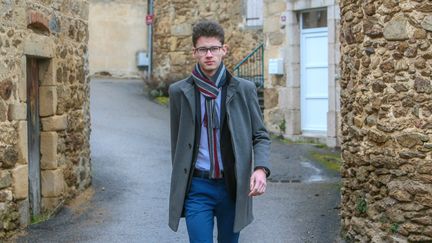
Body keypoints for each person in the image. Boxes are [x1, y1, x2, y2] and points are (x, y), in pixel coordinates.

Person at [168, 20, 271, 243]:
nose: (209, 54)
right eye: (203, 49)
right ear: (194, 52)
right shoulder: (179, 93)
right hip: (197, 188)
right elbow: (176, 144)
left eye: (214, 48)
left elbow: (260, 135)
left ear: (224, 50)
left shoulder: (244, 90)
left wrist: (261, 169)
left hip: (232, 187)